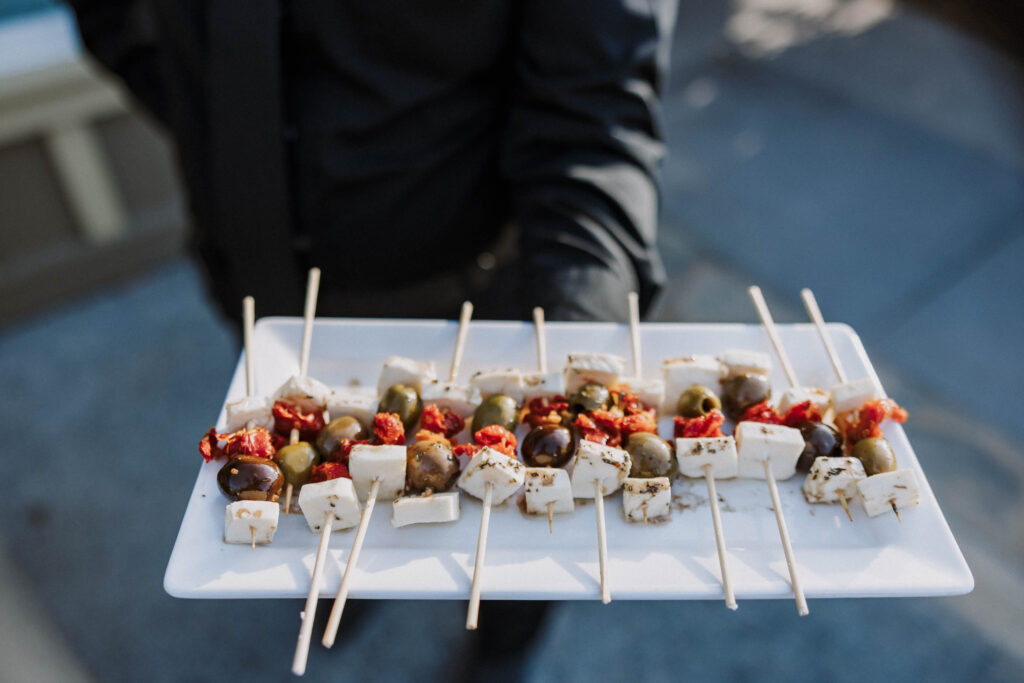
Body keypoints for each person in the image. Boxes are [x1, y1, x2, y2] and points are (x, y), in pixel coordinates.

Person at [68, 0, 677, 676]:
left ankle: (503, 644)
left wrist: (576, 357)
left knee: (517, 518)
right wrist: (205, 113)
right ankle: (346, 582)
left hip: (475, 304)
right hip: (258, 292)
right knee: (326, 501)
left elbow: (594, 118)